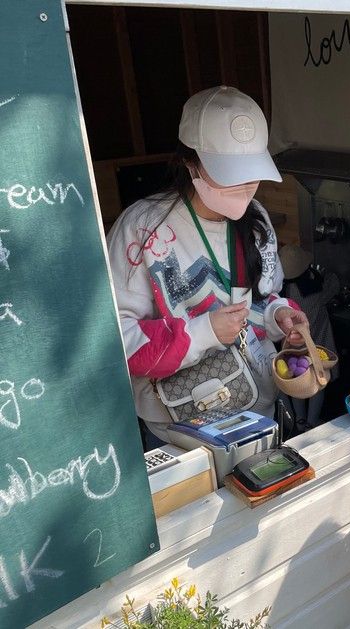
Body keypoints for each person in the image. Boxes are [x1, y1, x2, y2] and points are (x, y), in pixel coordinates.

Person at [107, 86, 308, 449]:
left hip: (259, 413)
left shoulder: (257, 217)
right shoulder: (142, 228)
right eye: (227, 173)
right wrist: (205, 331)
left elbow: (264, 296)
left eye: (250, 173)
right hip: (181, 432)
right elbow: (115, 340)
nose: (243, 186)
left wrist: (279, 314)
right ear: (190, 162)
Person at [278, 244, 340, 430]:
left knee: (297, 381)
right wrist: (327, 274)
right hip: (317, 345)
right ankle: (312, 421)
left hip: (292, 346)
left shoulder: (282, 294)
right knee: (317, 382)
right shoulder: (312, 289)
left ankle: (300, 420)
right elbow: (334, 285)